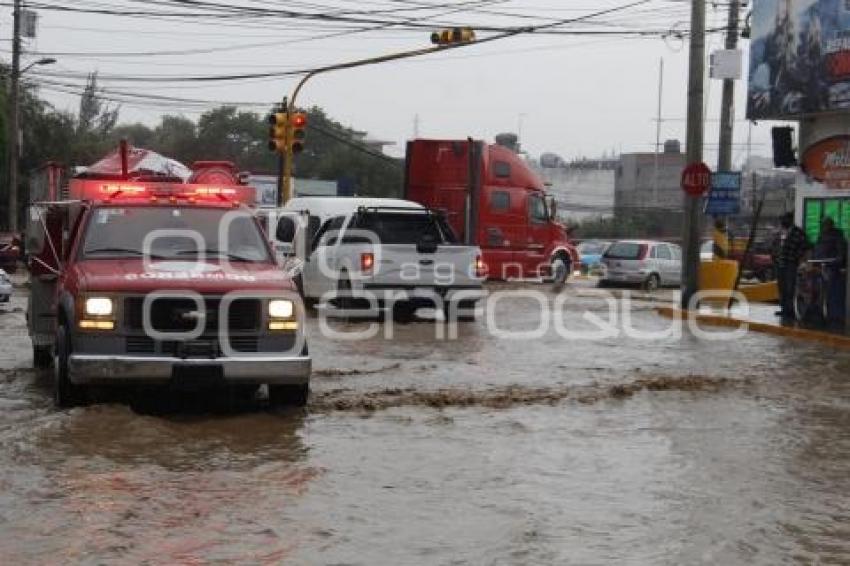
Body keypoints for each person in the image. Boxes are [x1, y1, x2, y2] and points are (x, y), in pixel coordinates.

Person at [772, 212, 808, 319]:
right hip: (780, 264)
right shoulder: (781, 232)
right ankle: (784, 309)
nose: (782, 222)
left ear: (790, 220)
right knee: (781, 287)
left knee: (790, 287)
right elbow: (775, 245)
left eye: (784, 220)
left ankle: (790, 310)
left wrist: (797, 258)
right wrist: (774, 256)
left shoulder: (798, 232)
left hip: (791, 264)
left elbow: (805, 247)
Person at [812, 217, 847, 324]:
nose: (823, 227)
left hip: (832, 268)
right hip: (821, 267)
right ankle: (822, 314)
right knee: (820, 292)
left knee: (834, 293)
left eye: (825, 224)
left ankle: (835, 316)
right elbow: (817, 250)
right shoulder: (822, 236)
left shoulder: (837, 237)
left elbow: (841, 253)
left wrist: (837, 262)